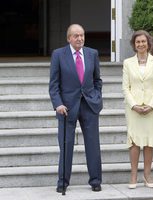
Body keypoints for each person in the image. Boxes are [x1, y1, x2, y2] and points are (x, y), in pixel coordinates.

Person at [49, 24, 103, 193]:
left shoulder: (92, 53)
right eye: (76, 36)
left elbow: (97, 80)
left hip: (89, 105)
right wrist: (58, 103)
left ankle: (95, 181)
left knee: (93, 145)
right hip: (66, 107)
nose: (80, 38)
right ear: (69, 38)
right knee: (66, 145)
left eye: (82, 35)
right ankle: (63, 182)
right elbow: (54, 84)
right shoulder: (58, 55)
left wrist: (97, 97)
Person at [122, 30, 153, 189]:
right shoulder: (127, 63)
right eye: (138, 42)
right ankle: (133, 174)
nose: (141, 44)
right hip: (134, 109)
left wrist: (151, 105)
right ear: (134, 44)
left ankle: (147, 174)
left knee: (149, 141)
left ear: (148, 43)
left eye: (143, 41)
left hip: (152, 108)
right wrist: (134, 105)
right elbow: (126, 87)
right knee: (134, 141)